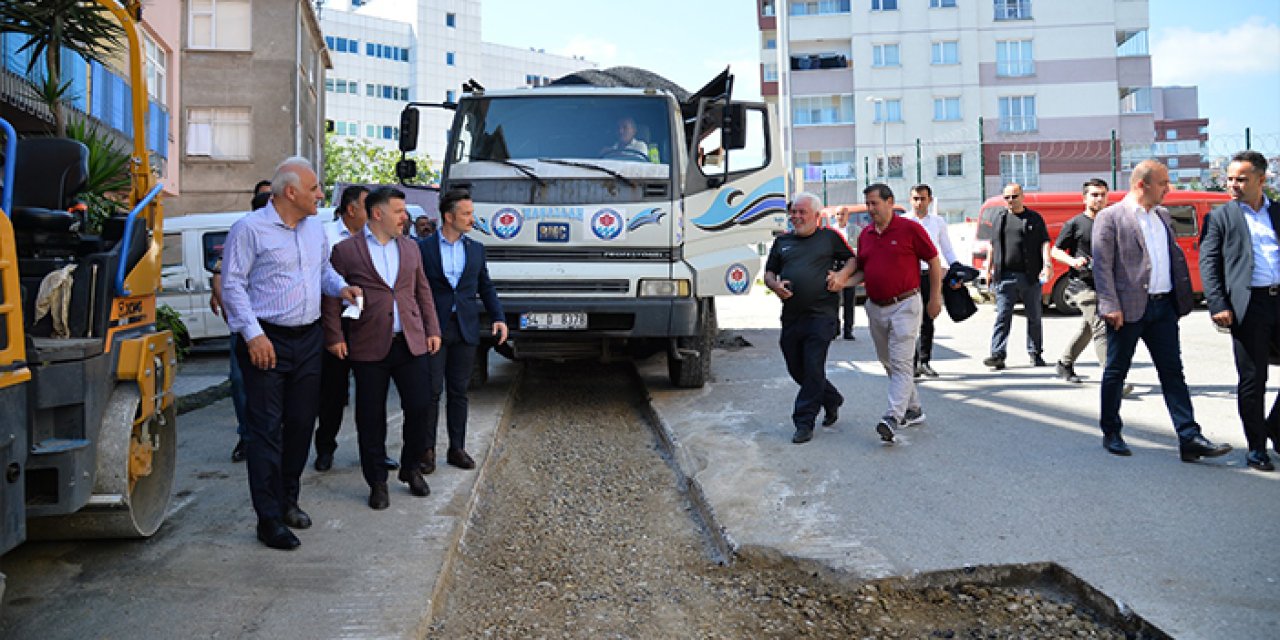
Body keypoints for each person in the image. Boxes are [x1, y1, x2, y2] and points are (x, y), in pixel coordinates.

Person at [221, 156, 362, 550]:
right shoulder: (249, 230)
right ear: (291, 192)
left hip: (307, 340)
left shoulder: (314, 230)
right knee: (265, 431)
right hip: (266, 341)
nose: (321, 194)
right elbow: (232, 286)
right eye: (315, 188)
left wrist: (342, 288)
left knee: (301, 424)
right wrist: (253, 336)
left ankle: (288, 501)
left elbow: (322, 275)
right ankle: (267, 518)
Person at [1092, 159, 1231, 463]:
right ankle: (1111, 432)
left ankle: (1189, 437)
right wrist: (1110, 304)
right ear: (1142, 184)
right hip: (1127, 311)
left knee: (1173, 374)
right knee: (1116, 372)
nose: (1168, 188)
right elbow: (1101, 266)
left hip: (1163, 308)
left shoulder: (1163, 216)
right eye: (1163, 183)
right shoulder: (1111, 217)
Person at [323, 187, 443, 508]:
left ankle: (410, 467)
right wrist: (334, 337)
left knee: (420, 406)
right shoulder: (346, 251)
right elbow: (331, 297)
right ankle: (377, 481)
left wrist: (432, 329)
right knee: (370, 417)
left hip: (410, 342)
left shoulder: (411, 249)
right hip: (368, 346)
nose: (405, 217)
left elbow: (422, 291)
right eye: (399, 212)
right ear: (378, 214)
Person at [839, 184, 942, 443]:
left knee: (901, 363)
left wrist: (935, 298)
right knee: (889, 362)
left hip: (905, 304)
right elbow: (863, 271)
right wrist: (843, 283)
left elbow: (933, 259)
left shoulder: (910, 229)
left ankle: (892, 417)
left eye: (875, 203)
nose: (870, 209)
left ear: (889, 202)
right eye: (868, 204)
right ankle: (914, 408)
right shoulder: (866, 235)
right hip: (876, 307)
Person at [1199, 150, 1280, 472]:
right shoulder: (1221, 217)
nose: (1233, 184)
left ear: (1261, 179)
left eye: (1241, 179)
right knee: (1253, 379)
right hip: (1250, 307)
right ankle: (1257, 447)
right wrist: (1218, 304)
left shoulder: (1277, 212)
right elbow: (1209, 263)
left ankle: (1275, 425)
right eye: (1230, 179)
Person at [418, 189, 509, 473]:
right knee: (431, 392)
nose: (472, 219)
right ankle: (426, 450)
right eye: (466, 214)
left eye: (472, 213)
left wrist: (498, 316)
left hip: (465, 329)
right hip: (434, 329)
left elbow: (486, 285)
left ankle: (456, 448)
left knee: (459, 392)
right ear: (449, 216)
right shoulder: (423, 249)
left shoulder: (475, 249)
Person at [313, 185, 398, 472]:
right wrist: (333, 334)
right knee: (333, 396)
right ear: (352, 210)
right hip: (340, 329)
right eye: (367, 206)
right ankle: (325, 447)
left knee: (372, 397)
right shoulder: (326, 236)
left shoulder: (382, 240)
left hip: (371, 332)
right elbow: (326, 291)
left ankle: (375, 453)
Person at [763, 192, 854, 444]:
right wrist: (774, 285)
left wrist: (842, 277)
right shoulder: (782, 242)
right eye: (793, 211)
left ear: (816, 215)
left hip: (821, 316)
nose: (796, 216)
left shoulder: (829, 238)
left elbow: (853, 260)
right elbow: (769, 272)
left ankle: (803, 422)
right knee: (797, 368)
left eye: (802, 212)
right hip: (792, 316)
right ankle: (831, 398)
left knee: (813, 366)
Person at [210, 183, 273, 462]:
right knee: (241, 382)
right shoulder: (244, 232)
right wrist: (226, 306)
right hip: (246, 326)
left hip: (277, 324)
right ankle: (247, 436)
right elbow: (221, 276)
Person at [982, 183, 1051, 370]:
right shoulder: (1000, 218)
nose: (1011, 200)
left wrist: (1047, 264)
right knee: (1003, 316)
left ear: (1022, 196)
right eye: (1007, 197)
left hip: (1030, 276)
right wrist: (988, 269)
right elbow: (992, 244)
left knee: (1034, 316)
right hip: (1005, 277)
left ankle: (1035, 353)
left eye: (1014, 196)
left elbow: (1044, 242)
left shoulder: (1034, 218)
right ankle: (997, 354)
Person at [1049, 179, 1110, 383]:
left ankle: (1064, 363)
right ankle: (1113, 377)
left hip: (1104, 284)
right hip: (1081, 284)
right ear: (1084, 198)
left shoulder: (1110, 222)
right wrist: (1073, 261)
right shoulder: (1075, 223)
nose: (1099, 199)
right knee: (1100, 325)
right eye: (1094, 194)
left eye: (1102, 194)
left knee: (1088, 328)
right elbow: (1055, 251)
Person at [902, 184, 957, 378]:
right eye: (915, 198)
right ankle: (911, 363)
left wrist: (956, 268)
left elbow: (947, 248)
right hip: (908, 276)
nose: (919, 202)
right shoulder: (902, 222)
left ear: (930, 200)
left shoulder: (938, 222)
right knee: (908, 320)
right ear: (910, 200)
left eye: (922, 198)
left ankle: (924, 361)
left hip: (929, 274)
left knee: (928, 318)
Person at [832, 208, 858, 340]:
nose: (840, 216)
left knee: (849, 300)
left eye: (843, 214)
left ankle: (848, 330)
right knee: (834, 300)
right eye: (838, 214)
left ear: (848, 216)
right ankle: (834, 328)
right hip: (835, 268)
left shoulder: (855, 230)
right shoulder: (830, 231)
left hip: (850, 268)